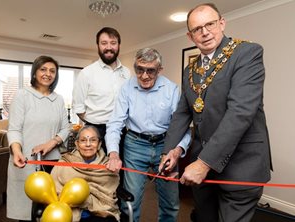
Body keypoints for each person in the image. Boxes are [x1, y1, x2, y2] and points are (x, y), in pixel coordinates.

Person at [161, 3, 272, 222]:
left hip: (242, 165)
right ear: (190, 36)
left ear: (222, 23)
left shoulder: (247, 53)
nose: (205, 32)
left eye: (210, 24)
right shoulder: (190, 69)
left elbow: (240, 112)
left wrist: (204, 163)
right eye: (197, 29)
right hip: (202, 172)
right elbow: (182, 113)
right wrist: (170, 152)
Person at [105, 48, 191, 222]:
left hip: (166, 145)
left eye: (150, 70)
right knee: (130, 201)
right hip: (135, 145)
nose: (144, 76)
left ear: (159, 70)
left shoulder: (171, 89)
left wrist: (177, 151)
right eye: (139, 69)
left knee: (170, 203)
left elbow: (182, 126)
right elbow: (115, 123)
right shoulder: (127, 87)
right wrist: (113, 153)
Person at [6, 55, 70, 221]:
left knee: (50, 211)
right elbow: (14, 128)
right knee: (27, 211)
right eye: (43, 69)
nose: (47, 74)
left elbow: (66, 128)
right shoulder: (22, 95)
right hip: (25, 160)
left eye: (52, 71)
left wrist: (51, 143)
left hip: (52, 162)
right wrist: (16, 151)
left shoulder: (58, 99)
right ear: (34, 73)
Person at [72, 27, 131, 151]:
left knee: (119, 169)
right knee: (96, 170)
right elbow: (79, 108)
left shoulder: (127, 73)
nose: (108, 47)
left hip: (122, 132)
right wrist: (96, 122)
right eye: (104, 43)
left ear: (119, 45)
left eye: (113, 43)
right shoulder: (86, 73)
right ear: (98, 45)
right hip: (95, 132)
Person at [51, 125, 120, 222]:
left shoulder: (108, 166)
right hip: (69, 211)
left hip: (100, 212)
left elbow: (109, 193)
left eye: (93, 140)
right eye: (83, 140)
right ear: (77, 144)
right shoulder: (65, 163)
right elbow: (55, 191)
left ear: (99, 144)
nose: (88, 144)